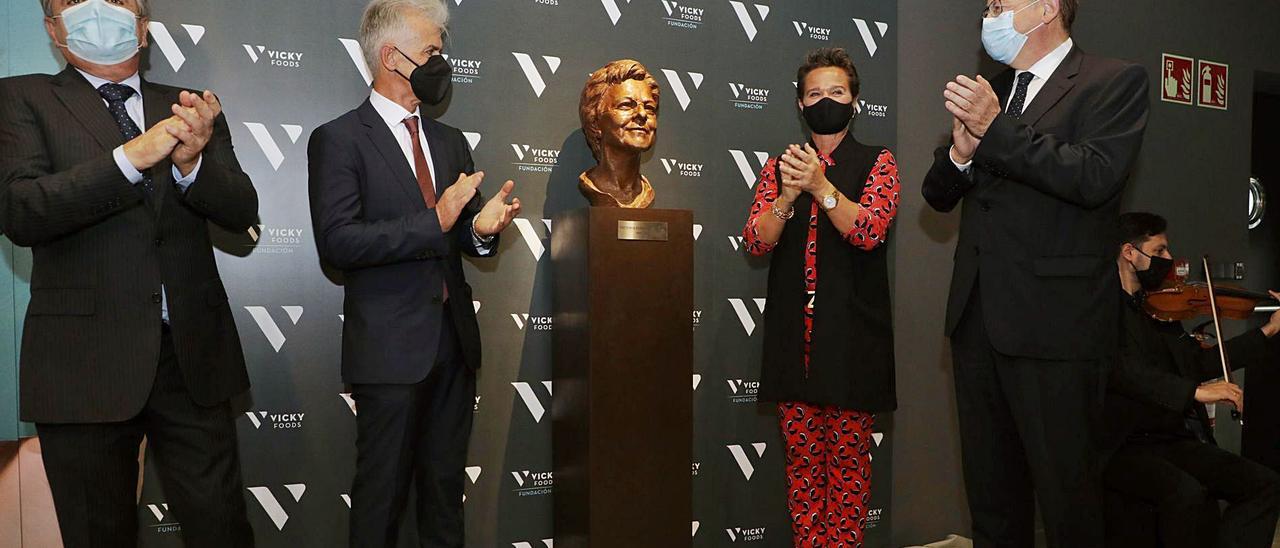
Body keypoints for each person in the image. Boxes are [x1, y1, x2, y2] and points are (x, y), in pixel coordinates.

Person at [0, 0, 259, 546]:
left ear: (142, 26)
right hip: (82, 362)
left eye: (119, 0)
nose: (99, 10)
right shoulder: (21, 97)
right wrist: (129, 159)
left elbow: (241, 211)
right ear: (53, 27)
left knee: (223, 529)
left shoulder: (189, 106)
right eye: (75, 0)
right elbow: (21, 210)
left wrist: (192, 164)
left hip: (189, 360)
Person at [920, 1, 1150, 546]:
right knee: (992, 501)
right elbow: (937, 193)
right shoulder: (992, 89)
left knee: (1067, 500)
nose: (990, 12)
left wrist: (995, 130)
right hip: (978, 320)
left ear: (1047, 7)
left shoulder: (1112, 82)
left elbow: (1094, 176)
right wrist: (959, 153)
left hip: (1056, 327)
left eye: (1002, 2)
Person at [307, 0, 521, 545]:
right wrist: (437, 219)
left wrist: (483, 229)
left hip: (454, 349)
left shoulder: (450, 142)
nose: (440, 63)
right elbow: (338, 243)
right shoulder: (339, 139)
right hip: (388, 353)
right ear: (390, 56)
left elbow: (464, 238)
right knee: (381, 502)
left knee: (445, 498)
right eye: (430, 52)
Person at [742, 47, 900, 547]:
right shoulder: (780, 167)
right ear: (799, 104)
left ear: (855, 102)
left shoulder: (879, 162)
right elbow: (756, 240)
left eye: (836, 92)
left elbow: (870, 231)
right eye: (815, 93)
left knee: (849, 471)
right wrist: (789, 194)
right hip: (796, 343)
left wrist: (822, 186)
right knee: (804, 474)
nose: (825, 101)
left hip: (851, 339)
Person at [1104, 212, 1280, 548]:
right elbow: (1126, 372)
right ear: (1129, 252)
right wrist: (1195, 393)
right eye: (1159, 251)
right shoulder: (1102, 311)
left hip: (1168, 439)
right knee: (1186, 493)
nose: (1168, 260)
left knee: (1264, 483)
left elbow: (1198, 363)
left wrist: (1269, 330)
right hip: (1121, 444)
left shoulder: (1158, 310)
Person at [577, 59, 659, 208]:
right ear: (595, 121)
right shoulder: (592, 185)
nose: (642, 114)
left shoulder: (645, 193)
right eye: (626, 105)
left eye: (649, 108)